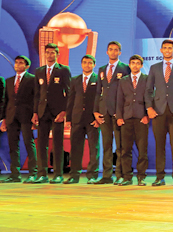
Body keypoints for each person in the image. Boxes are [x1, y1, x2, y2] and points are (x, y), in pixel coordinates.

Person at [145, 39, 173, 186]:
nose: (168, 50)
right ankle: (159, 177)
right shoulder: (154, 68)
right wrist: (149, 108)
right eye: (165, 48)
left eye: (170, 48)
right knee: (159, 146)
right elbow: (148, 90)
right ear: (161, 50)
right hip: (158, 113)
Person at [32, 43, 71, 184]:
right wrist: (35, 112)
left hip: (57, 113)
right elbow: (37, 94)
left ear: (57, 54)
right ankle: (42, 174)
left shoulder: (63, 70)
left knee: (57, 143)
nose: (50, 55)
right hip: (42, 112)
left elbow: (69, 92)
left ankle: (58, 174)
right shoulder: (39, 71)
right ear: (44, 54)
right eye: (47, 52)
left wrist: (64, 111)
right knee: (41, 144)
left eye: (52, 52)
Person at [94, 41, 131, 185]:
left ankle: (120, 175)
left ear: (120, 53)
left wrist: (121, 111)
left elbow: (128, 92)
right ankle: (107, 175)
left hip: (118, 112)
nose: (113, 52)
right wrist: (96, 111)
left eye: (116, 50)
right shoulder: (102, 69)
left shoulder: (125, 68)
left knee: (121, 146)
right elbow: (98, 92)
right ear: (107, 52)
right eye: (111, 49)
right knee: (106, 144)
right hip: (104, 112)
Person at [64, 55, 100, 184]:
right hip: (76, 118)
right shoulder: (75, 80)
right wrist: (68, 119)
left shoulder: (99, 79)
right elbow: (70, 100)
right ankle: (74, 175)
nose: (87, 65)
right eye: (84, 62)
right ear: (81, 64)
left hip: (92, 119)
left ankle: (92, 175)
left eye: (90, 63)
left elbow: (101, 100)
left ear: (94, 65)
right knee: (76, 148)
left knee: (93, 148)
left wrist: (99, 117)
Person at [0, 56, 35, 183]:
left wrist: (35, 115)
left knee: (28, 144)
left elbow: (35, 99)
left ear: (27, 66)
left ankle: (33, 173)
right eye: (16, 62)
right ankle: (15, 174)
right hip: (11, 117)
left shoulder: (32, 79)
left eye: (21, 63)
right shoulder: (9, 81)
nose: (17, 65)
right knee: (12, 146)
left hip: (26, 116)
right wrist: (3, 119)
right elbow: (6, 101)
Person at [115, 55, 149, 186]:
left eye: (138, 63)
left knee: (142, 150)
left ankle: (141, 177)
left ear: (141, 65)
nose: (135, 65)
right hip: (126, 118)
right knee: (125, 150)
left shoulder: (147, 79)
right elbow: (119, 100)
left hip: (142, 119)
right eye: (132, 63)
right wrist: (119, 117)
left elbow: (150, 98)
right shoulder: (123, 81)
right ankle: (127, 177)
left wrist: (147, 115)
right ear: (129, 65)